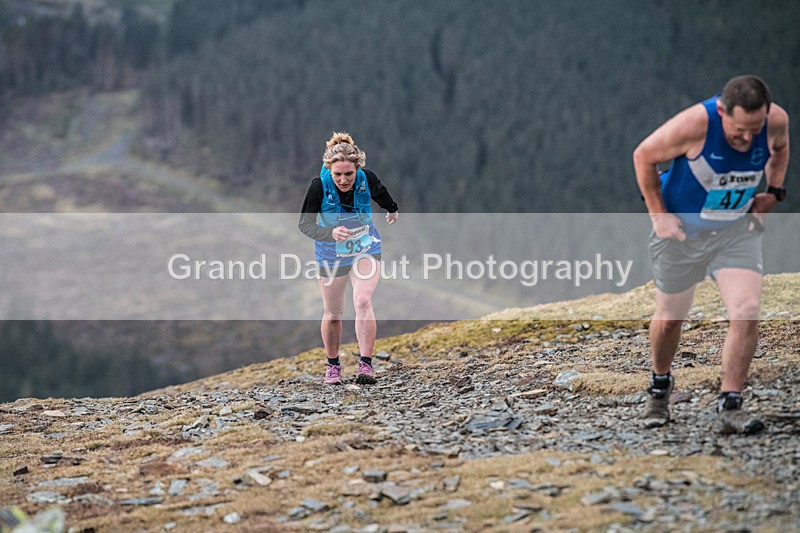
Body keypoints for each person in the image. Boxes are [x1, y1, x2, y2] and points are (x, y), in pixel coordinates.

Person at [633, 75, 789, 434]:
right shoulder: (696, 124)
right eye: (739, 130)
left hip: (735, 232)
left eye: (755, 130)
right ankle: (659, 386)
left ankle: (730, 405)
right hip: (682, 234)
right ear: (722, 111)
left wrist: (774, 192)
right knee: (670, 319)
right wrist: (659, 217)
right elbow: (643, 156)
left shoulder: (776, 121)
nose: (747, 139)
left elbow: (780, 148)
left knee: (746, 309)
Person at [298, 132, 399, 385]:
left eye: (349, 174)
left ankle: (366, 365)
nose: (344, 180)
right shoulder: (318, 187)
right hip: (330, 253)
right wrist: (330, 233)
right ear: (329, 170)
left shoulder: (367, 179)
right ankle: (333, 366)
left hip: (366, 248)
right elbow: (305, 225)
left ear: (357, 169)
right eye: (338, 175)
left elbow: (382, 194)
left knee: (363, 300)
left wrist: (392, 209)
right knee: (333, 314)